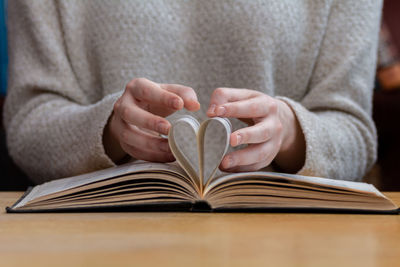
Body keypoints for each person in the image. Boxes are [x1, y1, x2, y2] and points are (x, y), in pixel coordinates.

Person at [4, 0, 382, 184]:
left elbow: (354, 130)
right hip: (89, 241)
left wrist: (289, 130)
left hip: (290, 245)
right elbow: (29, 122)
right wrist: (107, 130)